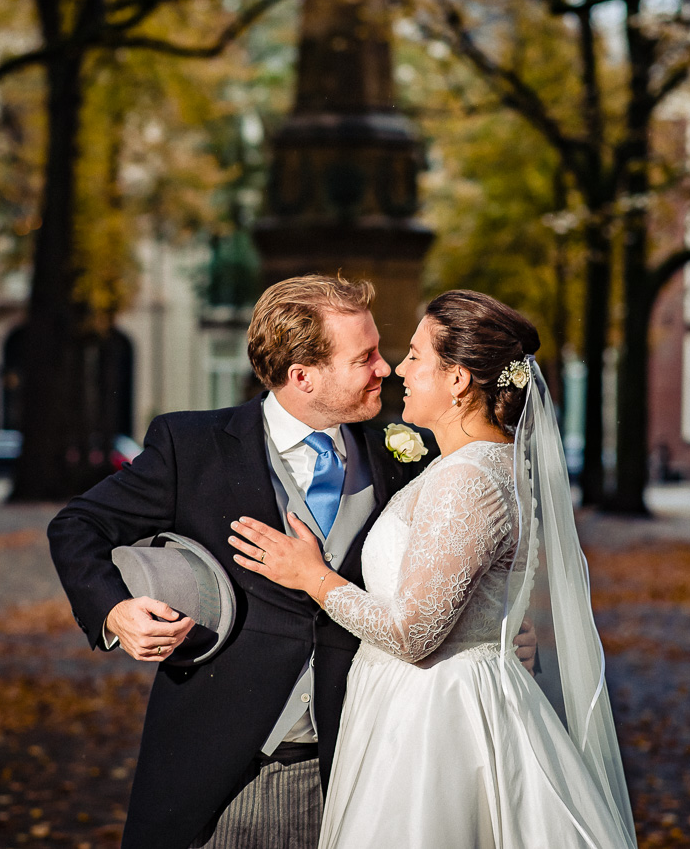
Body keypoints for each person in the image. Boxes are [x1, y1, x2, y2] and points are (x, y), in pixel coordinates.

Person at [47, 276, 534, 849]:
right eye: (365, 357)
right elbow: (78, 525)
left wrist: (496, 630)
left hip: (349, 766)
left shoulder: (408, 452)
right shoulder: (192, 446)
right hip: (206, 767)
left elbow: (450, 568)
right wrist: (116, 610)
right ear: (303, 375)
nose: (386, 368)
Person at [232, 290, 637, 849]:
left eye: (417, 355)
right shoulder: (478, 465)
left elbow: (413, 633)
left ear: (458, 380)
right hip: (426, 698)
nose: (399, 368)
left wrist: (312, 576)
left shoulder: (466, 479)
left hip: (433, 721)